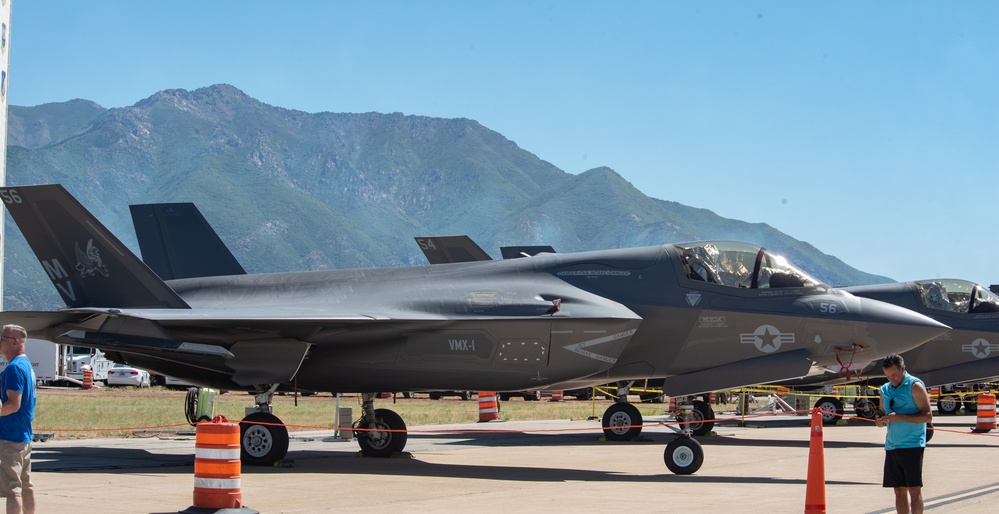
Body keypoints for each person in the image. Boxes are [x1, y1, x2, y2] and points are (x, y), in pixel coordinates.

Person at [875, 353, 931, 514]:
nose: (891, 379)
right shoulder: (885, 390)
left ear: (903, 369)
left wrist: (901, 417)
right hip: (892, 446)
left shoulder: (915, 386)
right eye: (888, 376)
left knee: (914, 490)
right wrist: (879, 421)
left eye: (894, 375)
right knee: (898, 491)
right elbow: (881, 414)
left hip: (912, 444)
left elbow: (928, 416)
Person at [0, 324, 36, 514]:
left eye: (3, 338)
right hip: (23, 435)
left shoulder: (14, 368)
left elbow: (14, 404)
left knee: (11, 489)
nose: (0, 342)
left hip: (9, 436)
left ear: (15, 342)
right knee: (25, 486)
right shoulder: (26, 365)